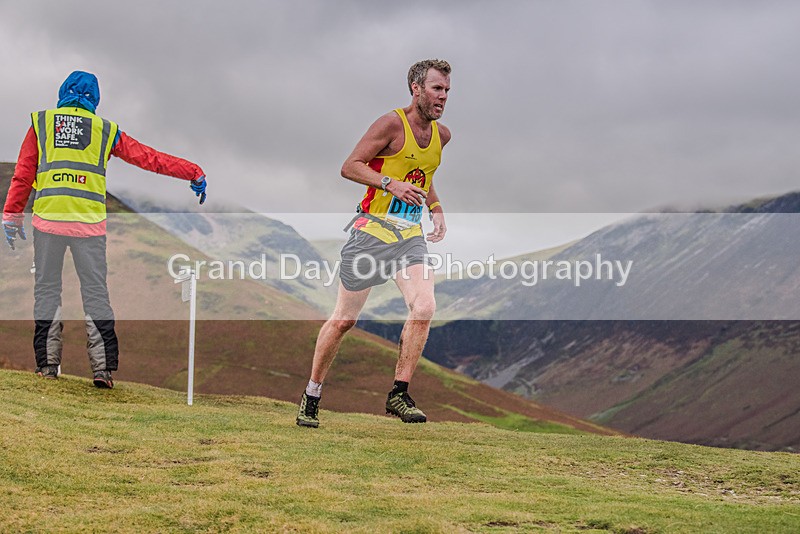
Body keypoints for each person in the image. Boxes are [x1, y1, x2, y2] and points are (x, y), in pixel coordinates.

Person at [2, 70, 207, 389]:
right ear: (95, 99)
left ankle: (47, 366)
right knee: (96, 294)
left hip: (48, 222)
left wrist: (12, 217)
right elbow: (150, 158)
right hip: (89, 227)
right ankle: (102, 370)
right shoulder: (105, 130)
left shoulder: (42, 123)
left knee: (47, 291)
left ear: (62, 92)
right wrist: (192, 172)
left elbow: (23, 174)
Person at [296, 59, 451, 427]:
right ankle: (312, 394)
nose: (442, 97)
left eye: (446, 90)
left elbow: (423, 175)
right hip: (370, 233)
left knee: (424, 306)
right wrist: (389, 184)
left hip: (408, 238)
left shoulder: (443, 136)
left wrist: (436, 207)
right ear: (416, 88)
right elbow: (350, 165)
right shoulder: (390, 124)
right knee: (344, 320)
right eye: (436, 89)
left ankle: (398, 393)